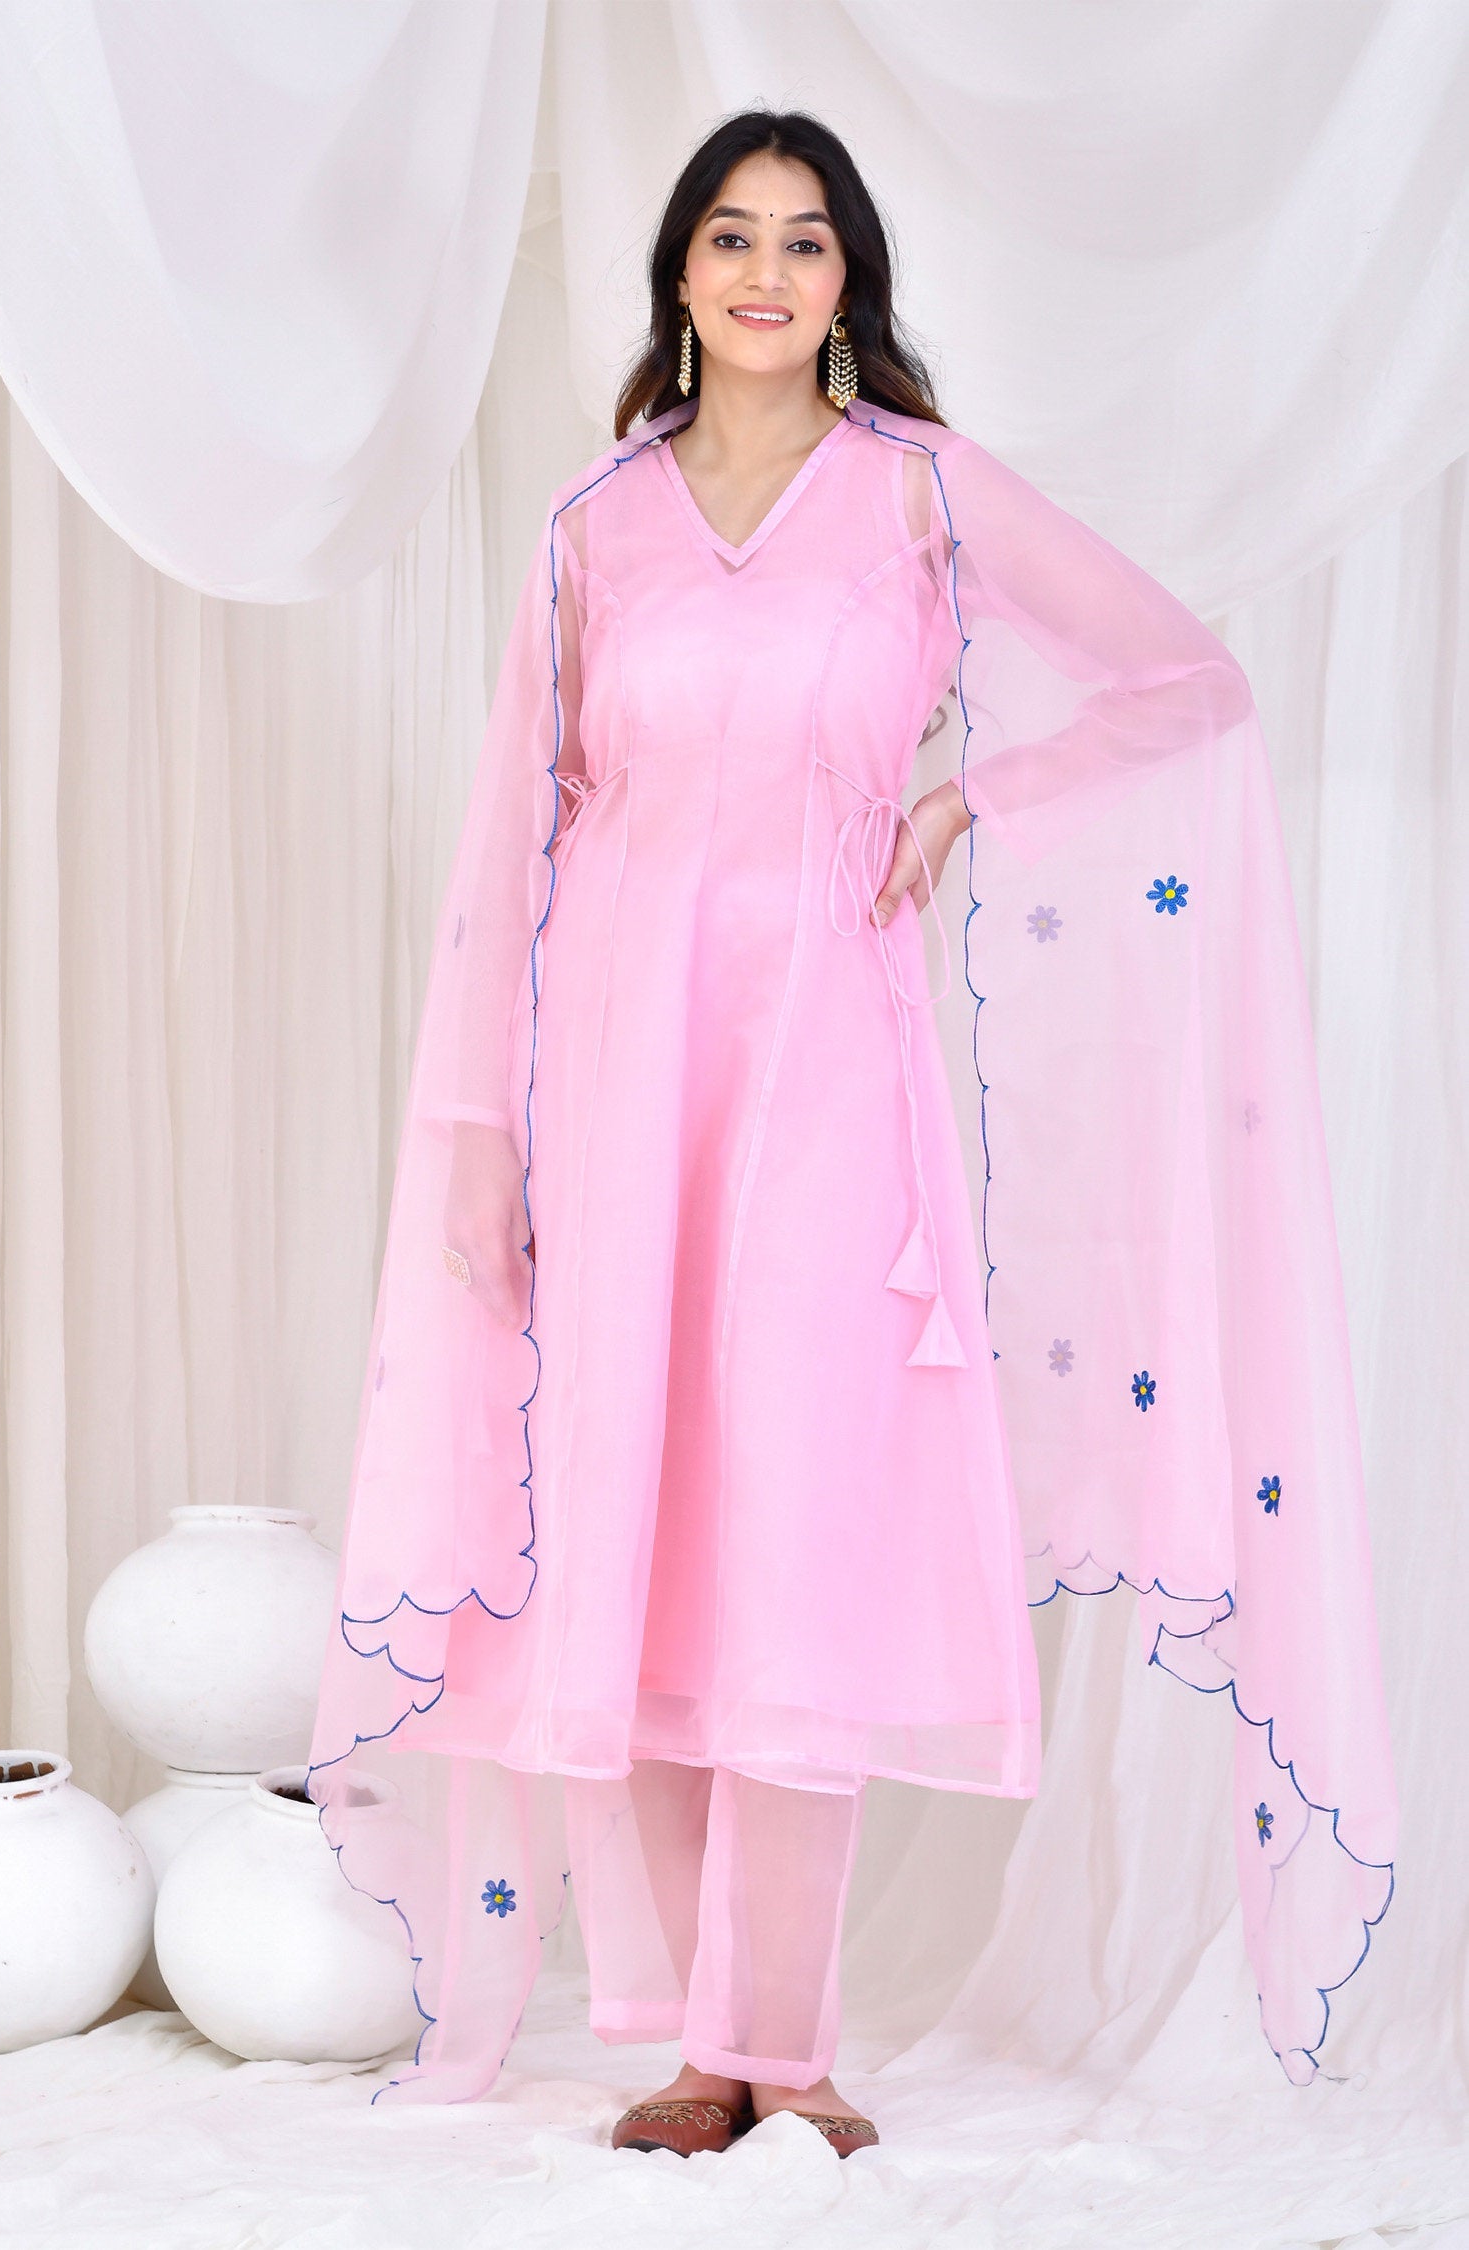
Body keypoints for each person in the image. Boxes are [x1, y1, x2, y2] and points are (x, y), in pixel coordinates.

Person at [307, 107, 1395, 2156]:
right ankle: (684, 2040)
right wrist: (477, 1135)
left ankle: (784, 2046)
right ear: (681, 273)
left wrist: (979, 795)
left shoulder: (918, 492)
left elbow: (1184, 682)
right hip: (613, 1089)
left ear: (847, 285)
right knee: (634, 1536)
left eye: (805, 241)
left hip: (826, 1088)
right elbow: (509, 848)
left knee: (792, 1535)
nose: (765, 271)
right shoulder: (593, 527)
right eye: (730, 235)